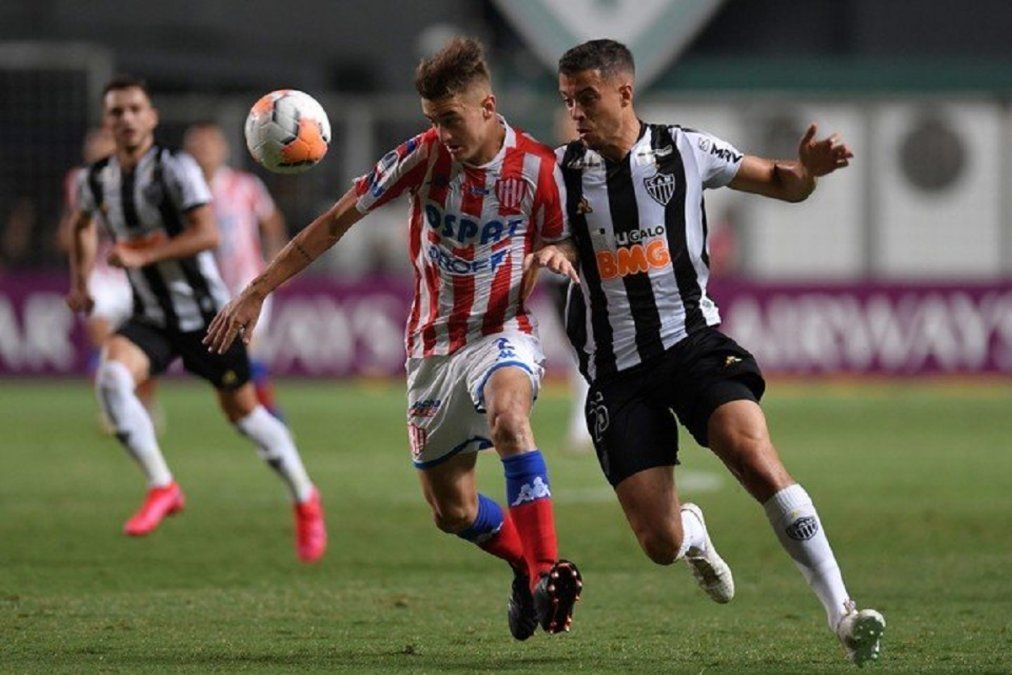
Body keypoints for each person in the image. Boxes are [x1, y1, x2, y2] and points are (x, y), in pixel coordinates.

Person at [205, 38, 583, 639]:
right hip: (432, 348)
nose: (443, 133)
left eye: (451, 119)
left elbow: (564, 238)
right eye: (433, 120)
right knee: (452, 511)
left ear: (487, 105)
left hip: (503, 330)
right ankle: (521, 566)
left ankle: (546, 572)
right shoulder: (423, 156)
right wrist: (257, 290)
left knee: (512, 420)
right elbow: (334, 223)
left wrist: (556, 253)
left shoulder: (540, 168)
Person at [554, 40, 885, 666]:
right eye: (568, 100)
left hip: (693, 346)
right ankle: (695, 533)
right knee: (658, 541)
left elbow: (786, 185)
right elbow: (554, 237)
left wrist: (808, 170)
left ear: (625, 93)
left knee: (753, 455)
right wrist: (558, 252)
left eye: (587, 99)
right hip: (619, 376)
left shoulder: (686, 149)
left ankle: (844, 613)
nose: (576, 113)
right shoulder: (559, 172)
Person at [65, 75, 326, 563]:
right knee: (111, 379)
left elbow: (207, 235)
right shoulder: (96, 179)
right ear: (108, 121)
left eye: (134, 109)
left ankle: (305, 498)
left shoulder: (176, 169)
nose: (125, 119)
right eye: (116, 112)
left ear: (151, 117)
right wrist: (80, 282)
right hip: (152, 317)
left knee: (246, 417)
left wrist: (144, 256)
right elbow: (82, 224)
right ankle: (163, 486)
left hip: (209, 317)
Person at [57, 127, 164, 432]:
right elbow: (72, 229)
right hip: (100, 274)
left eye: (105, 143)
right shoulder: (78, 181)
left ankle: (146, 406)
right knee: (103, 342)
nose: (99, 149)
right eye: (94, 145)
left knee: (144, 347)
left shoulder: (141, 177)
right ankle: (115, 409)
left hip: (136, 273)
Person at [184, 121, 287, 418]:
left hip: (247, 282)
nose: (204, 152)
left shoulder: (246, 186)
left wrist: (275, 264)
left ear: (223, 150)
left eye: (210, 145)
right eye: (198, 146)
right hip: (208, 286)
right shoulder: (184, 193)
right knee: (229, 363)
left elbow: (271, 222)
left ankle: (268, 415)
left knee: (247, 350)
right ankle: (260, 413)